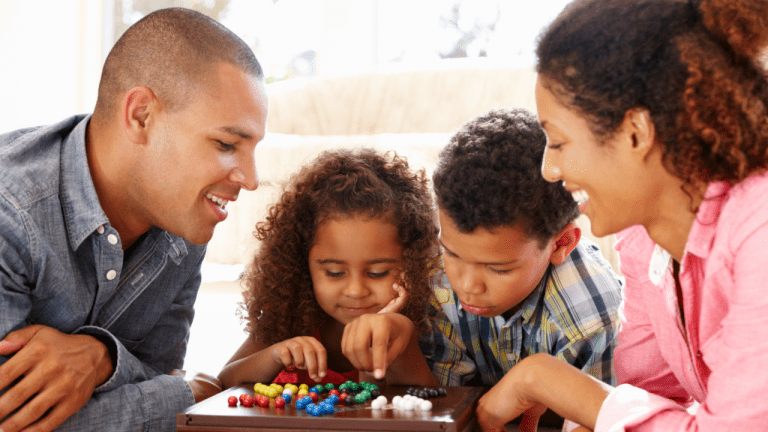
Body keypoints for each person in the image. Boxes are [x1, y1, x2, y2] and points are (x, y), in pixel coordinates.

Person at [475, 0, 768, 431]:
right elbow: (644, 399)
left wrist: (543, 379)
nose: (549, 169)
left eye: (558, 143)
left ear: (636, 132)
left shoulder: (759, 233)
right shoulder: (647, 239)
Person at [0, 8, 268, 432]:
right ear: (141, 116)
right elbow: (13, 421)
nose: (250, 180)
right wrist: (192, 394)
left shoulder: (183, 228)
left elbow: (158, 376)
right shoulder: (10, 214)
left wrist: (101, 358)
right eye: (225, 144)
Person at [419, 108, 623, 393]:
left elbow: (599, 412)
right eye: (451, 254)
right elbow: (443, 402)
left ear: (561, 244)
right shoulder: (433, 280)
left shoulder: (590, 317)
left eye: (498, 269)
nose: (467, 285)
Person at [217, 148, 441, 389]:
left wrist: (388, 342)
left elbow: (430, 401)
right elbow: (223, 383)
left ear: (412, 261)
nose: (355, 291)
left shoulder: (427, 323)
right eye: (334, 273)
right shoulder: (289, 318)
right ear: (303, 264)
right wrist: (274, 355)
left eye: (377, 273)